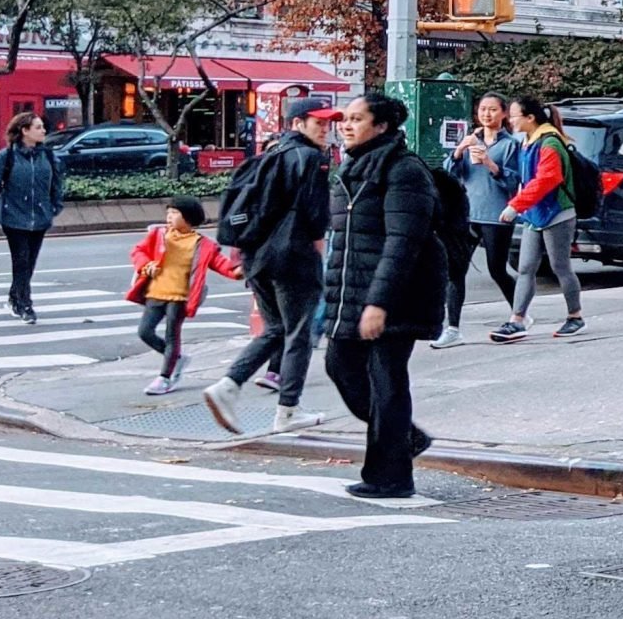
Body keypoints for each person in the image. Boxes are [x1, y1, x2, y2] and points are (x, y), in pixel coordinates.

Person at [321, 90, 446, 499]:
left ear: (382, 126)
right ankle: (402, 440)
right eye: (346, 118)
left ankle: (390, 476)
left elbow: (403, 242)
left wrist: (379, 303)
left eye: (357, 119)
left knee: (387, 382)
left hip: (396, 295)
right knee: (340, 366)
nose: (347, 125)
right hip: (351, 293)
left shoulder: (403, 169)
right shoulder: (351, 168)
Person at [201, 96, 336, 437]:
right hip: (294, 256)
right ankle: (288, 409)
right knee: (299, 332)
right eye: (318, 122)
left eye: (327, 122)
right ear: (297, 123)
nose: (326, 129)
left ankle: (228, 385)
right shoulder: (311, 159)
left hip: (257, 258)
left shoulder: (269, 156)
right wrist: (318, 253)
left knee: (275, 328)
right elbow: (315, 216)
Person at [126, 197, 243, 396]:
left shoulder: (202, 244)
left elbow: (221, 264)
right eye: (168, 213)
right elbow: (138, 252)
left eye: (174, 213)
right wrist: (146, 266)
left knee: (173, 335)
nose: (169, 217)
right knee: (145, 331)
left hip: (180, 297)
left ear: (188, 218)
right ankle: (176, 358)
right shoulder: (159, 235)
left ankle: (165, 376)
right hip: (156, 292)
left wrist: (239, 271)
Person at [491, 96, 584, 343]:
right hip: (534, 214)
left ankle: (575, 316)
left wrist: (515, 205)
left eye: (513, 116)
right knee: (525, 268)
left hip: (557, 214)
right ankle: (517, 320)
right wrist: (520, 204)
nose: (510, 120)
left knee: (560, 266)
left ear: (530, 118)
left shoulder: (550, 142)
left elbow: (547, 180)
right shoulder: (529, 141)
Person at [0, 111, 66, 324]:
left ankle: (14, 296)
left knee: (30, 261)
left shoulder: (47, 155)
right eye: (38, 127)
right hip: (14, 216)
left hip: (39, 216)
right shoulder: (7, 156)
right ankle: (24, 304)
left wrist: (55, 207)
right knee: (20, 259)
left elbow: (56, 184)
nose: (43, 131)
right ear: (24, 131)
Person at [441, 93, 521, 344]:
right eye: (483, 109)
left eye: (493, 110)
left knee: (497, 270)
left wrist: (489, 162)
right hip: (467, 214)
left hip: (496, 215)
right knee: (456, 271)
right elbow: (449, 175)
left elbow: (512, 181)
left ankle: (519, 314)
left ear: (504, 113)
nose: (487, 114)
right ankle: (452, 328)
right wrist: (458, 151)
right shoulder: (470, 140)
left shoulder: (510, 144)